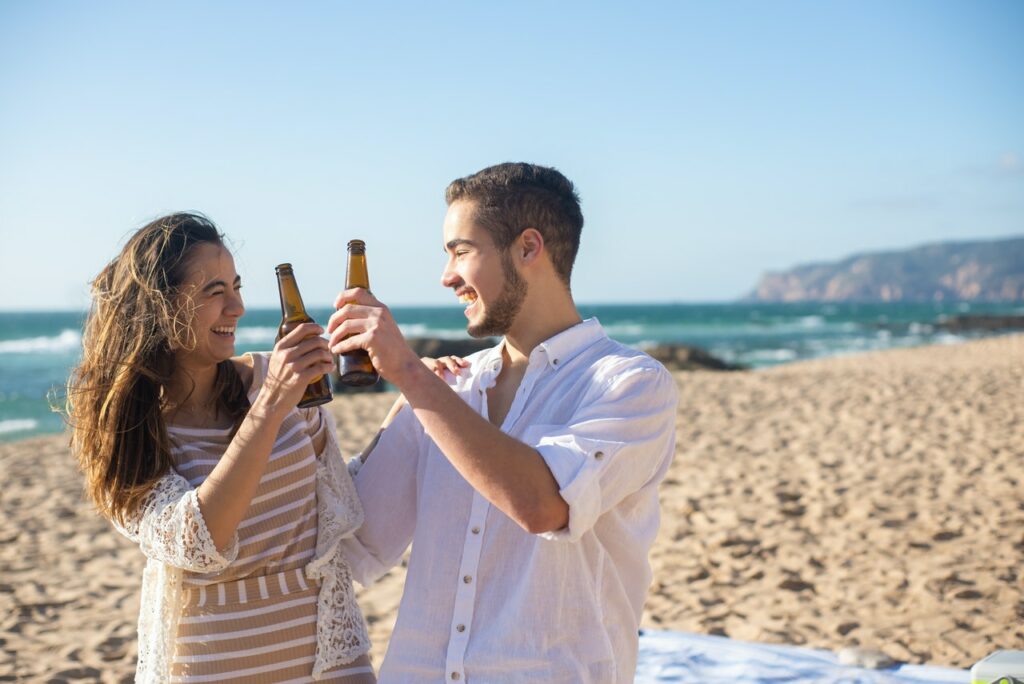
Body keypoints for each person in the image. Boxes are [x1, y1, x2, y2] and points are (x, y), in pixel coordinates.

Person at [328, 163, 679, 683]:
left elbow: (544, 505)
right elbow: (354, 546)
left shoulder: (631, 383)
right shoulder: (443, 391)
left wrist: (407, 373)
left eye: (461, 251)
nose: (446, 276)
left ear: (528, 248)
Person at [66, 213, 374, 683]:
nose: (238, 307)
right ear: (161, 306)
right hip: (211, 668)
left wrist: (420, 396)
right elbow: (198, 540)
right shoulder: (130, 431)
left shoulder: (281, 382)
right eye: (215, 291)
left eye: (237, 286)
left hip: (330, 662)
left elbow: (338, 496)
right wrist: (270, 404)